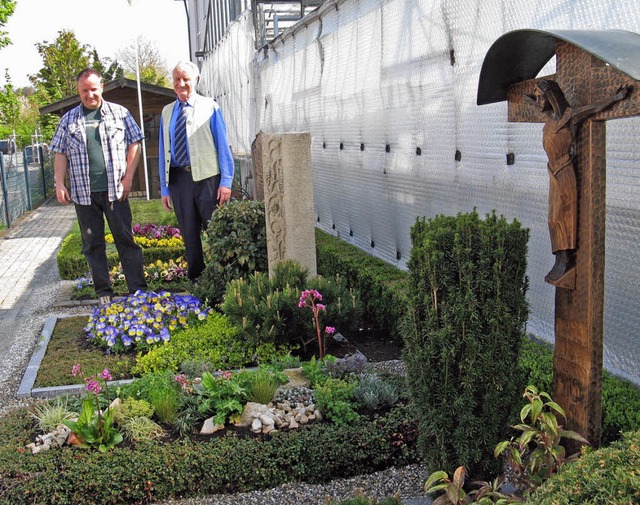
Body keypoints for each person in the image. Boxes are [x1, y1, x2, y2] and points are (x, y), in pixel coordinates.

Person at [51, 68, 147, 304]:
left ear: (101, 87)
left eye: (93, 89)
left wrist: (128, 178)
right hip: (84, 195)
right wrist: (59, 184)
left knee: (126, 240)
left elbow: (136, 143)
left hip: (116, 191)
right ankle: (104, 292)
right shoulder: (68, 120)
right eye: (84, 90)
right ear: (78, 91)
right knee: (93, 244)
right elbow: (60, 153)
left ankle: (137, 289)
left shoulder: (120, 113)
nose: (89, 94)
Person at [524, 80, 630, 287]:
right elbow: (539, 107)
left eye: (540, 97)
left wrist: (614, 98)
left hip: (564, 171)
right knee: (553, 219)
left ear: (552, 96)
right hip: (553, 172)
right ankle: (558, 259)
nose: (538, 101)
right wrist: (531, 101)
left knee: (564, 216)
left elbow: (594, 108)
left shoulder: (569, 117)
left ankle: (566, 260)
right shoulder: (549, 120)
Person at [158, 60, 234, 282]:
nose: (181, 83)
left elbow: (222, 143)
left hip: (208, 179)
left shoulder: (210, 106)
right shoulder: (166, 112)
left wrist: (226, 181)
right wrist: (164, 187)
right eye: (177, 79)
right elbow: (164, 150)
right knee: (189, 235)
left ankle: (224, 281)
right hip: (179, 180)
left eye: (186, 79)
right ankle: (198, 282)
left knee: (216, 232)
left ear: (196, 80)